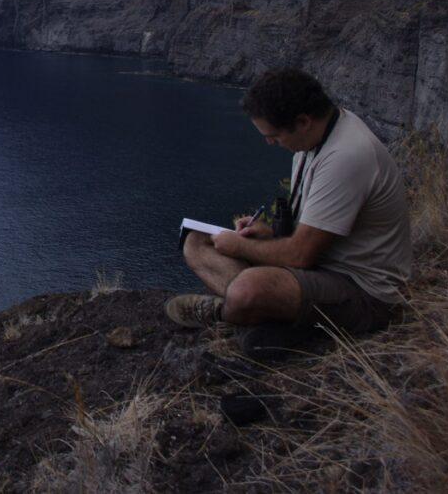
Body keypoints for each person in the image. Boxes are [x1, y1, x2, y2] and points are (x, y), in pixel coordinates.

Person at [166, 69, 411, 350]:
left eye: (274, 135)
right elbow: (313, 235)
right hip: (321, 266)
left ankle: (225, 313)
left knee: (250, 288)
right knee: (195, 243)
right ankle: (260, 315)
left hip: (364, 291)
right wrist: (267, 233)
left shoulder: (346, 157)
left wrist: (239, 247)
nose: (270, 142)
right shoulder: (315, 140)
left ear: (303, 121)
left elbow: (301, 254)